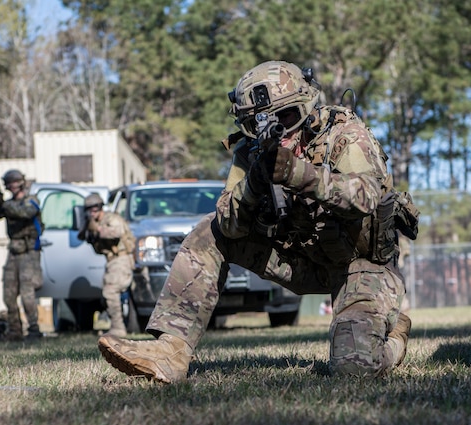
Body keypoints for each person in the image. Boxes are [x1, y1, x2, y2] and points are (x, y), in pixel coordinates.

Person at [99, 60, 419, 382]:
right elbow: (228, 225)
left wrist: (299, 174)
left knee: (355, 369)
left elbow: (365, 197)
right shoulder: (251, 152)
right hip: (300, 262)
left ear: (307, 106)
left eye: (288, 117)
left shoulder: (345, 135)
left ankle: (393, 341)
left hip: (361, 267)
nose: (278, 130)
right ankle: (170, 350)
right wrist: (253, 184)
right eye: (258, 124)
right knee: (208, 232)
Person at [0, 169, 44, 341]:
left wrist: (4, 206)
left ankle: (34, 330)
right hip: (13, 252)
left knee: (27, 294)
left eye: (13, 182)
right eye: (8, 183)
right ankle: (15, 330)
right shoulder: (8, 204)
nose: (10, 186)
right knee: (9, 294)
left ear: (20, 182)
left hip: (29, 252)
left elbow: (26, 213)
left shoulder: (31, 200)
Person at [77, 192, 135, 336]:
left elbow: (116, 232)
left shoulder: (112, 219)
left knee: (110, 291)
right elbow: (81, 236)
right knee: (106, 295)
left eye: (95, 209)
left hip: (121, 259)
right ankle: (118, 325)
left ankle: (118, 328)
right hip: (111, 261)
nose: (92, 212)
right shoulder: (93, 222)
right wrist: (88, 227)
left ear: (100, 208)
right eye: (89, 209)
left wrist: (97, 229)